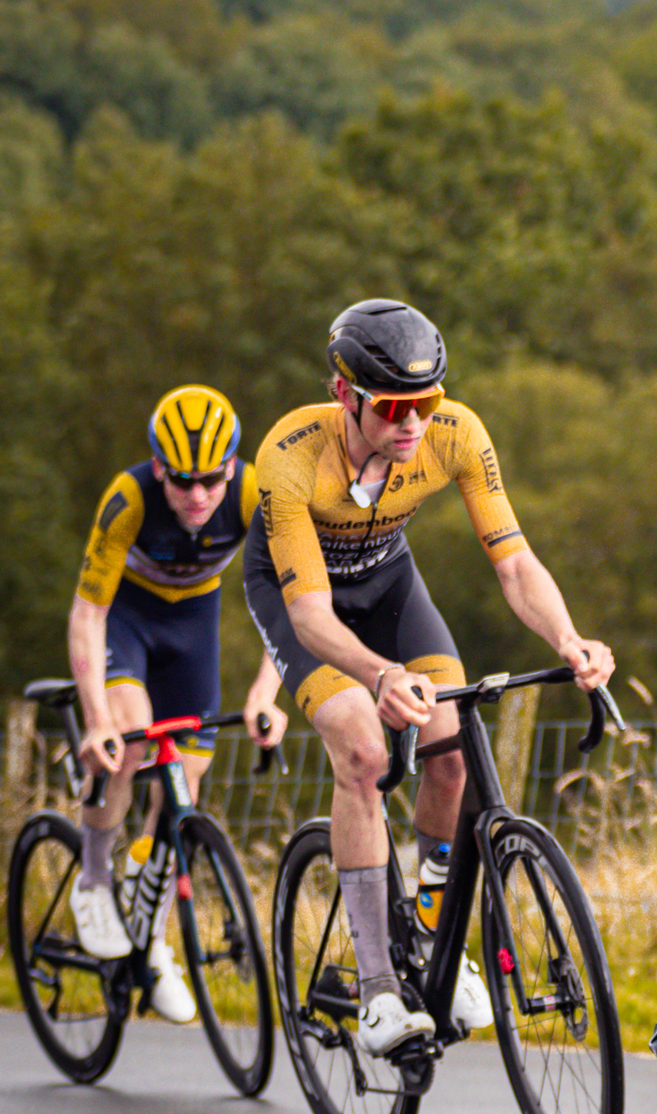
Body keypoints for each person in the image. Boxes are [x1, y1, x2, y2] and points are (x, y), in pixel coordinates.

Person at [245, 299, 614, 1060]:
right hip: (305, 604)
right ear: (346, 396)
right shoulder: (289, 458)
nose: (414, 422)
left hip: (388, 585)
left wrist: (569, 637)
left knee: (449, 748)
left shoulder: (457, 435)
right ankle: (378, 987)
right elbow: (312, 617)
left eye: (428, 402)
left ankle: (435, 929)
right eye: (395, 408)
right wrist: (379, 676)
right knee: (364, 751)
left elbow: (513, 562)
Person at [69, 384, 286, 1019]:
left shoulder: (252, 495)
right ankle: (92, 877)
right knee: (132, 740)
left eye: (211, 482)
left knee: (182, 791)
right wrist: (95, 719)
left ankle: (154, 939)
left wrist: (266, 696)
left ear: (232, 469)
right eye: (184, 482)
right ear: (159, 467)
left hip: (193, 625)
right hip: (126, 624)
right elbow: (87, 614)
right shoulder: (128, 498)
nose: (198, 497)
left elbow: (292, 606)